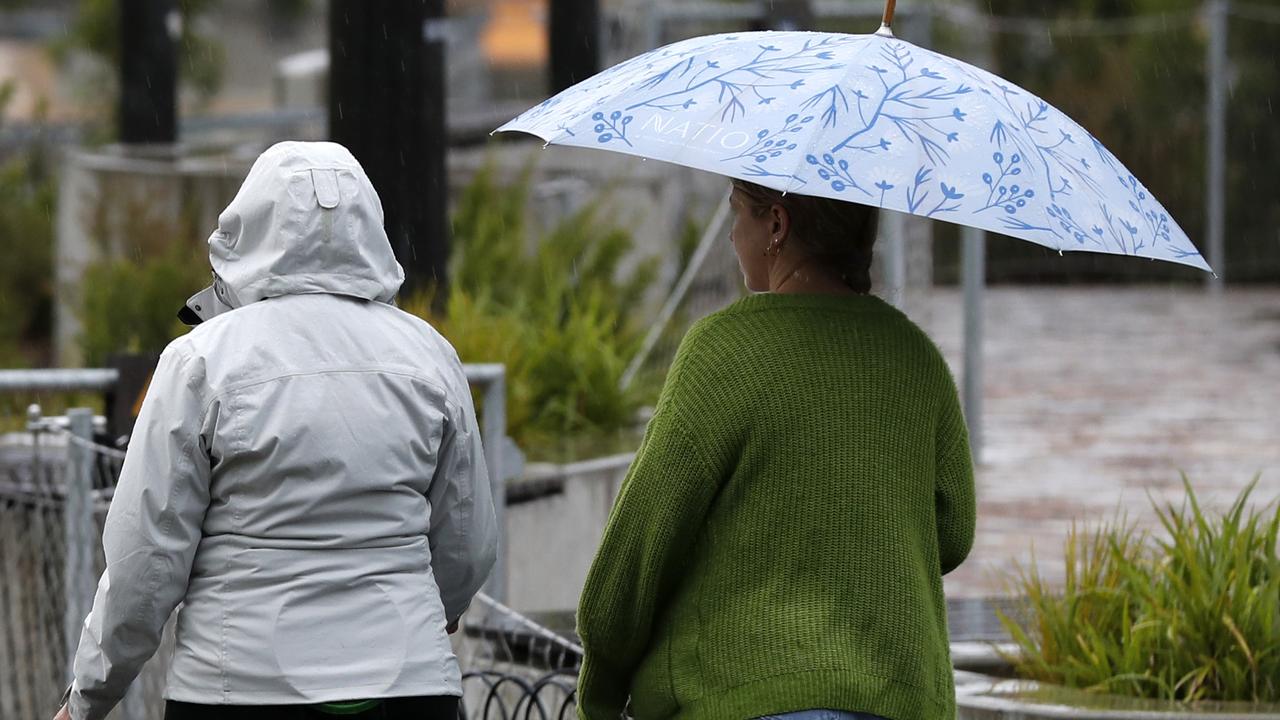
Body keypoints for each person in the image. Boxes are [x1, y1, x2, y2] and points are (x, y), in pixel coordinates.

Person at [53, 141, 498, 720]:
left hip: (237, 687)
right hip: (409, 689)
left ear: (247, 230)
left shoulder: (201, 361)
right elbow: (468, 540)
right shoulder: (429, 356)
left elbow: (146, 562)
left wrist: (89, 696)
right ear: (371, 232)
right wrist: (420, 616)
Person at [573, 179, 976, 720]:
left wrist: (601, 687)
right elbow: (952, 533)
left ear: (777, 226)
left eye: (738, 214)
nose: (734, 235)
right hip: (895, 697)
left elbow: (643, 541)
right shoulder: (916, 357)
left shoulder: (723, 350)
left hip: (738, 696)